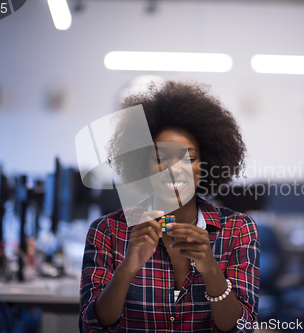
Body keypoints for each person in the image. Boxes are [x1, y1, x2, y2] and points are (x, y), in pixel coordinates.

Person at [79, 80, 260, 332]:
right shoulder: (108, 231)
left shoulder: (239, 229)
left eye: (189, 158)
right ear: (143, 165)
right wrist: (126, 269)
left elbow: (243, 328)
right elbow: (90, 327)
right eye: (160, 158)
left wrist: (211, 271)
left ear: (205, 166)